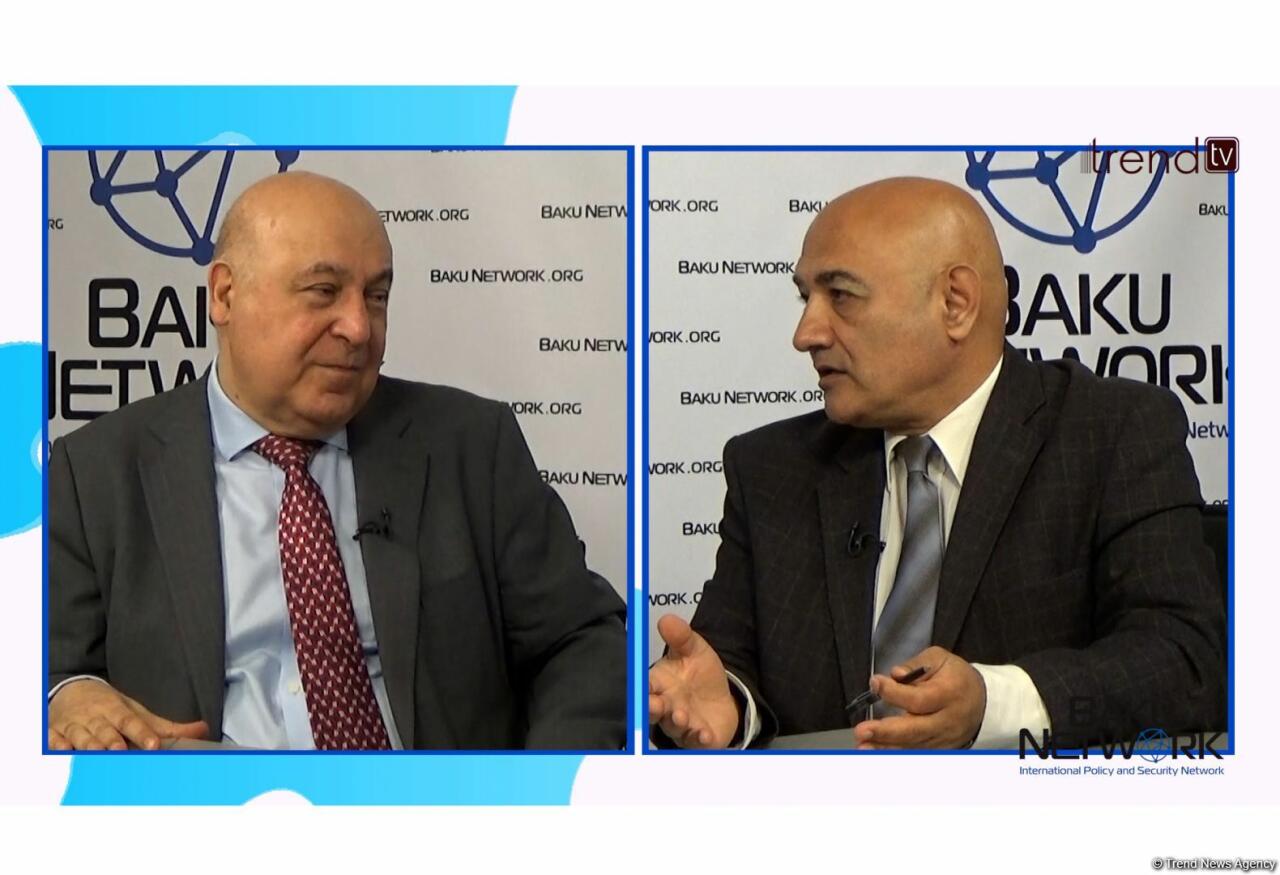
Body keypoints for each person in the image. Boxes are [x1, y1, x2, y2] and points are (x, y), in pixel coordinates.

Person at [48, 171, 626, 751]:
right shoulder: (95, 473)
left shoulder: (471, 445)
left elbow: (580, 639)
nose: (358, 328)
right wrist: (66, 693)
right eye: (323, 292)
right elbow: (49, 667)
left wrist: (541, 791)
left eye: (377, 296)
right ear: (224, 295)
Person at [649, 176, 1225, 750]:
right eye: (806, 298)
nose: (807, 334)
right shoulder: (771, 468)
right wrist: (727, 703)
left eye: (841, 295)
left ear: (955, 303)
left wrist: (993, 704)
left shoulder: (1110, 433)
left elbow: (1185, 661)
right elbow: (726, 670)